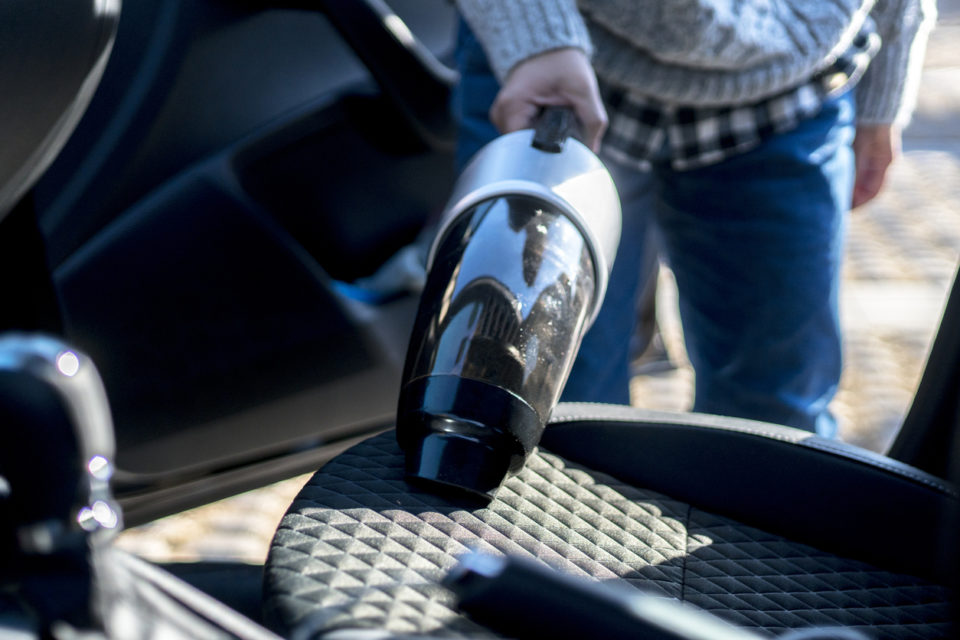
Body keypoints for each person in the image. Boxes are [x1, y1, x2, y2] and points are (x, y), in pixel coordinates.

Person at [452, 0, 937, 436]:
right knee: (544, 406)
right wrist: (532, 32)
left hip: (789, 90)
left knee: (777, 426)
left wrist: (889, 74)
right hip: (555, 68)